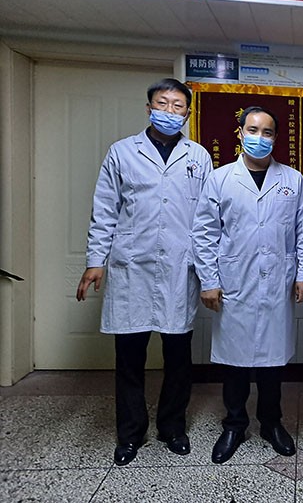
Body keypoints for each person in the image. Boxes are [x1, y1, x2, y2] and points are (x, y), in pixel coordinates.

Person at [76, 78, 212, 466]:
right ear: (149, 107)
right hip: (131, 266)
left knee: (178, 357)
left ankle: (172, 428)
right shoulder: (122, 152)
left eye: (177, 106)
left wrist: (209, 272)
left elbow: (206, 218)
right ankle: (130, 434)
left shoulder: (198, 156)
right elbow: (105, 210)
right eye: (162, 103)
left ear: (187, 113)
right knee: (130, 358)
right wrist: (96, 261)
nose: (169, 111)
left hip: (179, 267)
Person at [192, 106, 303, 464]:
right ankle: (234, 425)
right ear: (241, 133)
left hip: (277, 283)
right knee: (234, 363)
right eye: (253, 130)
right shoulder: (220, 179)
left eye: (268, 132)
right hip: (235, 284)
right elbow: (204, 233)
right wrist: (209, 280)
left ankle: (272, 423)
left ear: (276, 138)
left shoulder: (293, 180)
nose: (260, 138)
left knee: (273, 363)